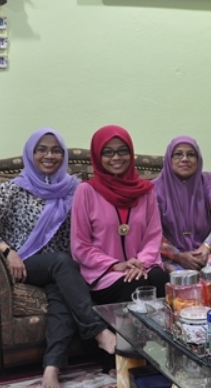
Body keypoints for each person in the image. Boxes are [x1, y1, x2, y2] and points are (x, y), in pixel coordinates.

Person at [0, 129, 117, 388]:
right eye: (42, 149)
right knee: (61, 262)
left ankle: (51, 366)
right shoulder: (14, 188)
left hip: (64, 270)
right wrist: (7, 251)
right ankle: (99, 332)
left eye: (56, 150)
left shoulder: (75, 189)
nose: (50, 155)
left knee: (61, 296)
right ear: (31, 153)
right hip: (26, 263)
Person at [71, 125, 167, 306]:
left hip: (141, 267)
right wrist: (115, 265)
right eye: (108, 152)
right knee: (134, 285)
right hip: (104, 272)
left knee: (159, 278)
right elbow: (80, 245)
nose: (116, 158)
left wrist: (140, 264)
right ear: (98, 157)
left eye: (123, 151)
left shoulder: (146, 191)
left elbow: (153, 236)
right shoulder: (86, 191)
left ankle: (164, 326)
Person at [154, 135, 211, 272]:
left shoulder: (208, 183)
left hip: (203, 253)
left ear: (198, 160)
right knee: (182, 277)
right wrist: (178, 255)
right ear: (169, 159)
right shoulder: (153, 190)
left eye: (191, 154)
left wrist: (207, 246)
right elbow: (149, 233)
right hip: (169, 258)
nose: (185, 159)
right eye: (178, 154)